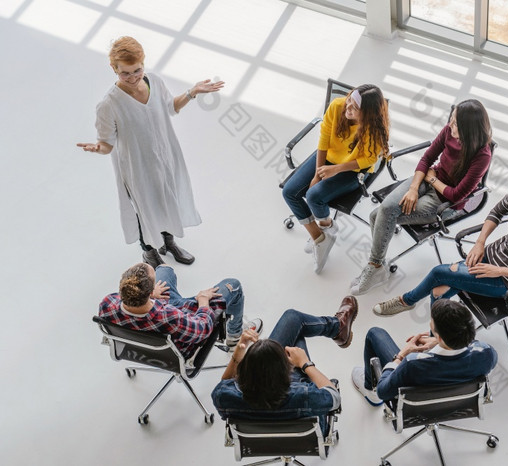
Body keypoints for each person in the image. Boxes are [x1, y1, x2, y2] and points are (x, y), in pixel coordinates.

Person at [77, 36, 225, 268]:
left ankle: (168, 242)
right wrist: (98, 148)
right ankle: (149, 251)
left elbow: (170, 107)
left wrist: (192, 92)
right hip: (137, 167)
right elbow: (106, 144)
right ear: (113, 68)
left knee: (167, 197)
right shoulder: (108, 105)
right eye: (125, 73)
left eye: (137, 70)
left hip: (165, 156)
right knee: (144, 207)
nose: (133, 78)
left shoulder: (154, 82)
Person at [372, 152, 508, 316]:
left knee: (439, 273)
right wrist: (480, 242)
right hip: (490, 256)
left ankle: (407, 301)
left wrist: (497, 271)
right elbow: (496, 213)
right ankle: (438, 340)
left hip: (507, 280)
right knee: (439, 292)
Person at [350, 99, 493, 295]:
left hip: (445, 203)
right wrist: (413, 189)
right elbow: (427, 158)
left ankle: (375, 266)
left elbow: (456, 194)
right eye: (451, 119)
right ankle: (377, 266)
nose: (450, 125)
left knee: (379, 216)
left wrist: (432, 180)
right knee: (381, 213)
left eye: (456, 123)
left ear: (469, 129)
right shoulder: (449, 130)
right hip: (427, 180)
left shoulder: (482, 155)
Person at [282, 85, 390, 274]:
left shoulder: (374, 129)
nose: (348, 107)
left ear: (367, 114)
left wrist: (336, 169)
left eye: (355, 107)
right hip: (329, 158)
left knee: (314, 196)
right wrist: (318, 174)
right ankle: (320, 238)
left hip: (355, 168)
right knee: (289, 192)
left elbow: (369, 159)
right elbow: (323, 140)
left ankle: (327, 226)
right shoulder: (337, 106)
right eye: (349, 100)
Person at [211, 297, 359, 435]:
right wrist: (305, 363)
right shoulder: (305, 395)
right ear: (288, 371)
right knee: (294, 324)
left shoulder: (223, 397)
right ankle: (337, 327)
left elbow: (225, 383)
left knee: (294, 330)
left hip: (262, 438)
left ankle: (337, 327)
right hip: (305, 431)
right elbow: (334, 397)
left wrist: (239, 350)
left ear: (244, 373)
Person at [352, 299, 497, 405]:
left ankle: (369, 390)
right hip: (458, 404)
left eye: (432, 327)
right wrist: (440, 342)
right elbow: (474, 345)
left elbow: (383, 392)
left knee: (375, 334)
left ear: (439, 336)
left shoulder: (413, 363)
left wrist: (401, 355)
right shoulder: (487, 354)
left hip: (417, 405)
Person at [99, 263, 262, 357]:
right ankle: (234, 337)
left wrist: (153, 295)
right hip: (178, 339)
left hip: (141, 337)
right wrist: (203, 302)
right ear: (149, 293)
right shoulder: (169, 317)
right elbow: (202, 328)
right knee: (233, 285)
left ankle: (168, 292)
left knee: (164, 269)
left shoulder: (107, 304)